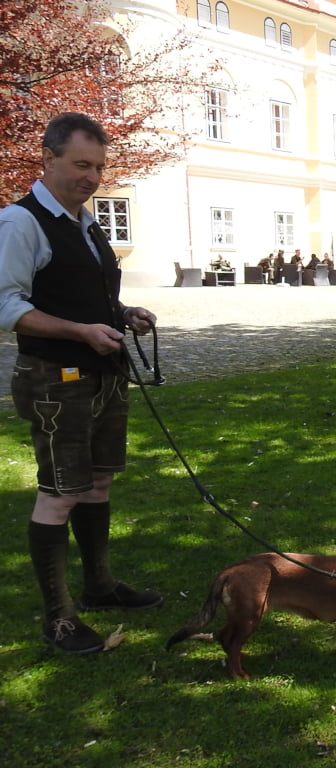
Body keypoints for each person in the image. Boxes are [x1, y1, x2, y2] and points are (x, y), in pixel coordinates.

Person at [0, 112, 163, 655]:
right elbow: (7, 306)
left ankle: (99, 586)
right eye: (79, 165)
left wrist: (122, 312)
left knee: (97, 483)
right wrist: (78, 331)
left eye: (98, 167)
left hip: (103, 372)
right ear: (47, 159)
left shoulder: (86, 222)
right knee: (60, 491)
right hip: (55, 377)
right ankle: (58, 619)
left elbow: (89, 295)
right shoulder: (21, 223)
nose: (91, 177)